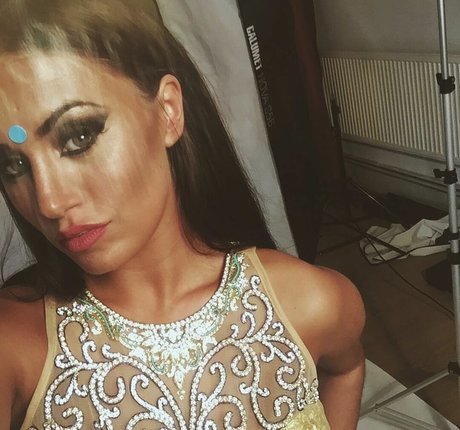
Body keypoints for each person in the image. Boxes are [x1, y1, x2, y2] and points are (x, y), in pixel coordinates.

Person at [0, 0, 365, 429]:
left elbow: (346, 369)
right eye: (12, 165)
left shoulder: (312, 302)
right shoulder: (14, 346)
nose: (48, 202)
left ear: (167, 111)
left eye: (78, 136)